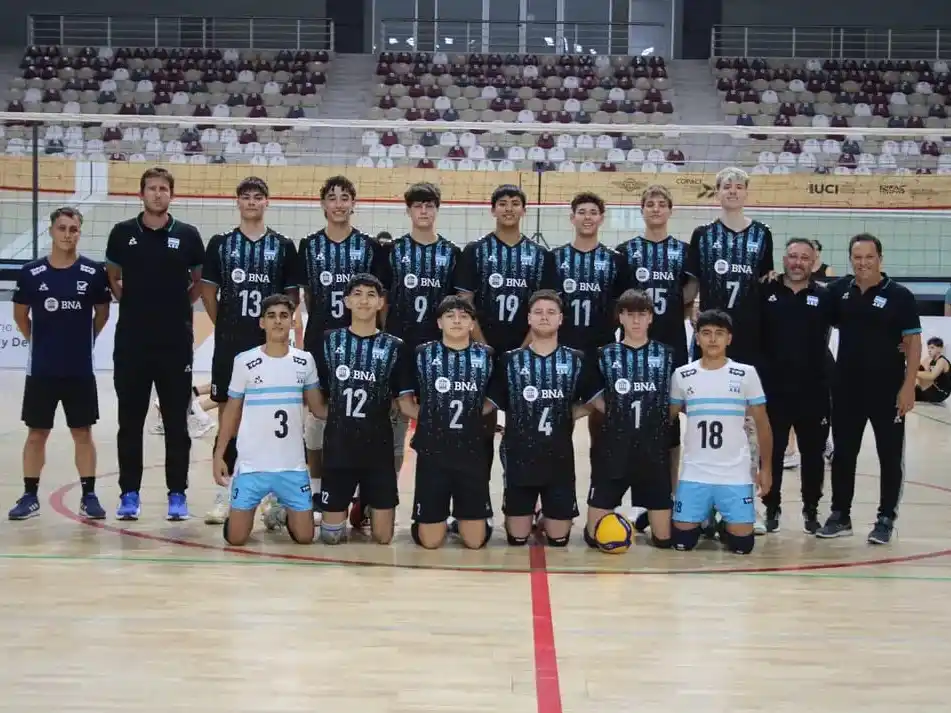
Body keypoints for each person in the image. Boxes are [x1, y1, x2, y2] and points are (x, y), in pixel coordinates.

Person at [105, 167, 204, 521]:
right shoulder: (121, 233)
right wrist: (129, 302)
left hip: (175, 343)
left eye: (163, 188)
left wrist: (177, 306)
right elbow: (113, 277)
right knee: (129, 422)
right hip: (132, 343)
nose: (158, 194)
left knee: (177, 423)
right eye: (151, 188)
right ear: (141, 194)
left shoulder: (189, 235)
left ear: (171, 195)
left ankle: (177, 494)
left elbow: (197, 282)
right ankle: (129, 494)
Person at [199, 176, 300, 525]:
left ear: (267, 202)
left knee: (273, 418)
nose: (252, 202)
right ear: (238, 202)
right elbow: (208, 293)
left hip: (272, 346)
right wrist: (227, 324)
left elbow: (292, 299)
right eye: (246, 197)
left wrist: (278, 331)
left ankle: (273, 498)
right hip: (231, 344)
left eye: (259, 197)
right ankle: (226, 492)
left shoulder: (284, 246)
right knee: (229, 416)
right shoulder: (221, 244)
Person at [685, 167, 774, 535]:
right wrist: (690, 309)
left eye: (739, 186)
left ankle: (745, 505)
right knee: (702, 421)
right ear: (716, 192)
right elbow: (690, 287)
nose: (733, 191)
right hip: (708, 338)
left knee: (747, 425)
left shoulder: (762, 234)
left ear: (746, 192)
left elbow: (767, 283)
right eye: (726, 186)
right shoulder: (702, 235)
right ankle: (702, 504)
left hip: (749, 339)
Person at [8, 207, 112, 521]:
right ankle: (29, 495)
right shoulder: (31, 272)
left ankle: (89, 495)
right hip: (41, 370)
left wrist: (83, 341)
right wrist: (41, 344)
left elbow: (102, 314)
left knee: (83, 432)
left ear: (80, 233)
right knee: (37, 433)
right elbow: (20, 316)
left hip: (79, 369)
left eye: (74, 229)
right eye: (62, 228)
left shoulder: (93, 272)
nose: (68, 234)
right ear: (51, 231)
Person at [819, 234, 921, 544]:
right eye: (857, 257)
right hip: (847, 389)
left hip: (887, 390)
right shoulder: (839, 291)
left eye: (869, 257)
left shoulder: (900, 295)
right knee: (843, 454)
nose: (863, 263)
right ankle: (840, 515)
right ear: (851, 258)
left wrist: (908, 387)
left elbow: (913, 343)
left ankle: (886, 518)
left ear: (880, 258)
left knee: (889, 456)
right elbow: (809, 298)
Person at [297, 175, 390, 512]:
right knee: (318, 417)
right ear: (323, 204)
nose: (338, 203)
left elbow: (382, 298)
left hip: (363, 343)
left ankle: (362, 495)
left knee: (363, 415)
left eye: (345, 197)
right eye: (332, 197)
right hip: (321, 342)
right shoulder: (308, 246)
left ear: (354, 204)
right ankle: (319, 490)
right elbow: (303, 296)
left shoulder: (369, 247)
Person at [455, 184, 559, 473]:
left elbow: (545, 310)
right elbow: (465, 304)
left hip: (525, 352)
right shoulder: (474, 251)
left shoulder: (541, 256)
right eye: (503, 203)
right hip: (481, 351)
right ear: (493, 210)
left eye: (515, 203)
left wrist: (525, 349)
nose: (509, 208)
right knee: (481, 427)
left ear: (524, 210)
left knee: (524, 427)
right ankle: (478, 504)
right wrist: (482, 345)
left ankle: (519, 502)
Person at [617, 184, 698, 531]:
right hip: (633, 345)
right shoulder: (626, 251)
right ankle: (644, 501)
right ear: (642, 210)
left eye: (661, 204)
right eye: (649, 204)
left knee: (670, 422)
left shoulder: (683, 251)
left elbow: (692, 287)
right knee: (636, 422)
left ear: (670, 210)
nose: (655, 209)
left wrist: (680, 307)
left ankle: (669, 495)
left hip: (671, 345)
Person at [213, 294, 321, 546]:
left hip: (292, 466)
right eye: (271, 316)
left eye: (284, 316)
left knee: (305, 537)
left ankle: (280, 511)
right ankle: (242, 510)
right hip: (252, 466)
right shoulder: (244, 361)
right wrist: (219, 453)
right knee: (236, 539)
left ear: (293, 322)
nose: (278, 321)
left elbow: (318, 408)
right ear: (261, 323)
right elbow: (231, 411)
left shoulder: (304, 361)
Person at [669, 309, 773, 555]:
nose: (712, 339)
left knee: (742, 547)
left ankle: (721, 518)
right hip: (695, 472)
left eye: (719, 333)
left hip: (734, 473)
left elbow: (763, 424)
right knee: (682, 544)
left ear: (729, 338)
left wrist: (765, 468)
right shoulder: (683, 375)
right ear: (697, 338)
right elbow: (667, 421)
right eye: (706, 333)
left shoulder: (746, 374)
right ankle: (706, 518)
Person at [488, 289, 587, 546]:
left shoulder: (576, 360)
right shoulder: (509, 361)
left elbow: (594, 401)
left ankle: (545, 514)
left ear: (561, 319)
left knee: (559, 539)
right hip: (519, 457)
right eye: (539, 312)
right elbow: (490, 403)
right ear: (529, 318)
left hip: (559, 459)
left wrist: (567, 413)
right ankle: (526, 511)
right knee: (518, 538)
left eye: (551, 312)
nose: (545, 317)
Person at [581, 289, 678, 549]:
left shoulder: (668, 354)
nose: (636, 321)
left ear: (651, 318)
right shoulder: (605, 354)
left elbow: (677, 400)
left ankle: (646, 516)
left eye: (642, 314)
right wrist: (614, 412)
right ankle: (614, 517)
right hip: (614, 450)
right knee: (593, 538)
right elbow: (591, 397)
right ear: (620, 318)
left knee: (664, 540)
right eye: (630, 314)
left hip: (652, 452)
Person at [398, 295, 496, 550]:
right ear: (439, 322)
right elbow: (406, 403)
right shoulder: (421, 354)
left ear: (472, 324)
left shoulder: (486, 356)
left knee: (475, 543)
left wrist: (470, 416)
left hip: (472, 451)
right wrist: (434, 417)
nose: (457, 320)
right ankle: (433, 520)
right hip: (433, 450)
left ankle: (463, 519)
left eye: (464, 316)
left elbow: (492, 401)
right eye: (450, 316)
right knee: (431, 543)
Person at [315, 274, 405, 545]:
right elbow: (316, 389)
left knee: (383, 537)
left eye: (370, 294)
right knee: (330, 538)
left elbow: (399, 397)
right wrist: (330, 413)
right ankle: (290, 511)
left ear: (380, 303)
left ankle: (364, 504)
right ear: (346, 301)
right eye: (357, 294)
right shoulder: (329, 341)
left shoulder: (394, 346)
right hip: (339, 445)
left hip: (377, 446)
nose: (363, 300)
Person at [384, 182, 461, 480]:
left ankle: (434, 495)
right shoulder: (393, 251)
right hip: (399, 350)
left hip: (437, 354)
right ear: (408, 211)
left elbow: (458, 307)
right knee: (392, 424)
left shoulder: (451, 253)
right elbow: (384, 302)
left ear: (437, 210)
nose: (424, 210)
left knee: (438, 427)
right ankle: (383, 496)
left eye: (429, 205)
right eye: (418, 205)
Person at [759, 239, 834, 534]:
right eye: (792, 256)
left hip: (814, 389)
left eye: (804, 257)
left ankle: (811, 509)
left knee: (813, 453)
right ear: (784, 259)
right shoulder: (765, 290)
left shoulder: (826, 297)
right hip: (773, 390)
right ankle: (772, 507)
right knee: (773, 452)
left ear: (814, 262)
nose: (797, 262)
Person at [550, 192, 626, 445]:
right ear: (572, 218)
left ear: (601, 219)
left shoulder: (615, 260)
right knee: (561, 419)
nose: (587, 217)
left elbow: (621, 307)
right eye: (581, 212)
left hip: (600, 350)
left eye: (593, 212)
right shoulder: (555, 258)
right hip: (564, 350)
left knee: (601, 419)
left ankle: (598, 483)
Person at [915, 337, 950, 403]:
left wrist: (913, 373)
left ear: (940, 349)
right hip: (932, 389)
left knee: (915, 372)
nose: (929, 350)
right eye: (928, 348)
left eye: (932, 347)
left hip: (941, 393)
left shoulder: (942, 361)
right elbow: (919, 368)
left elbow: (932, 376)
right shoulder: (930, 359)